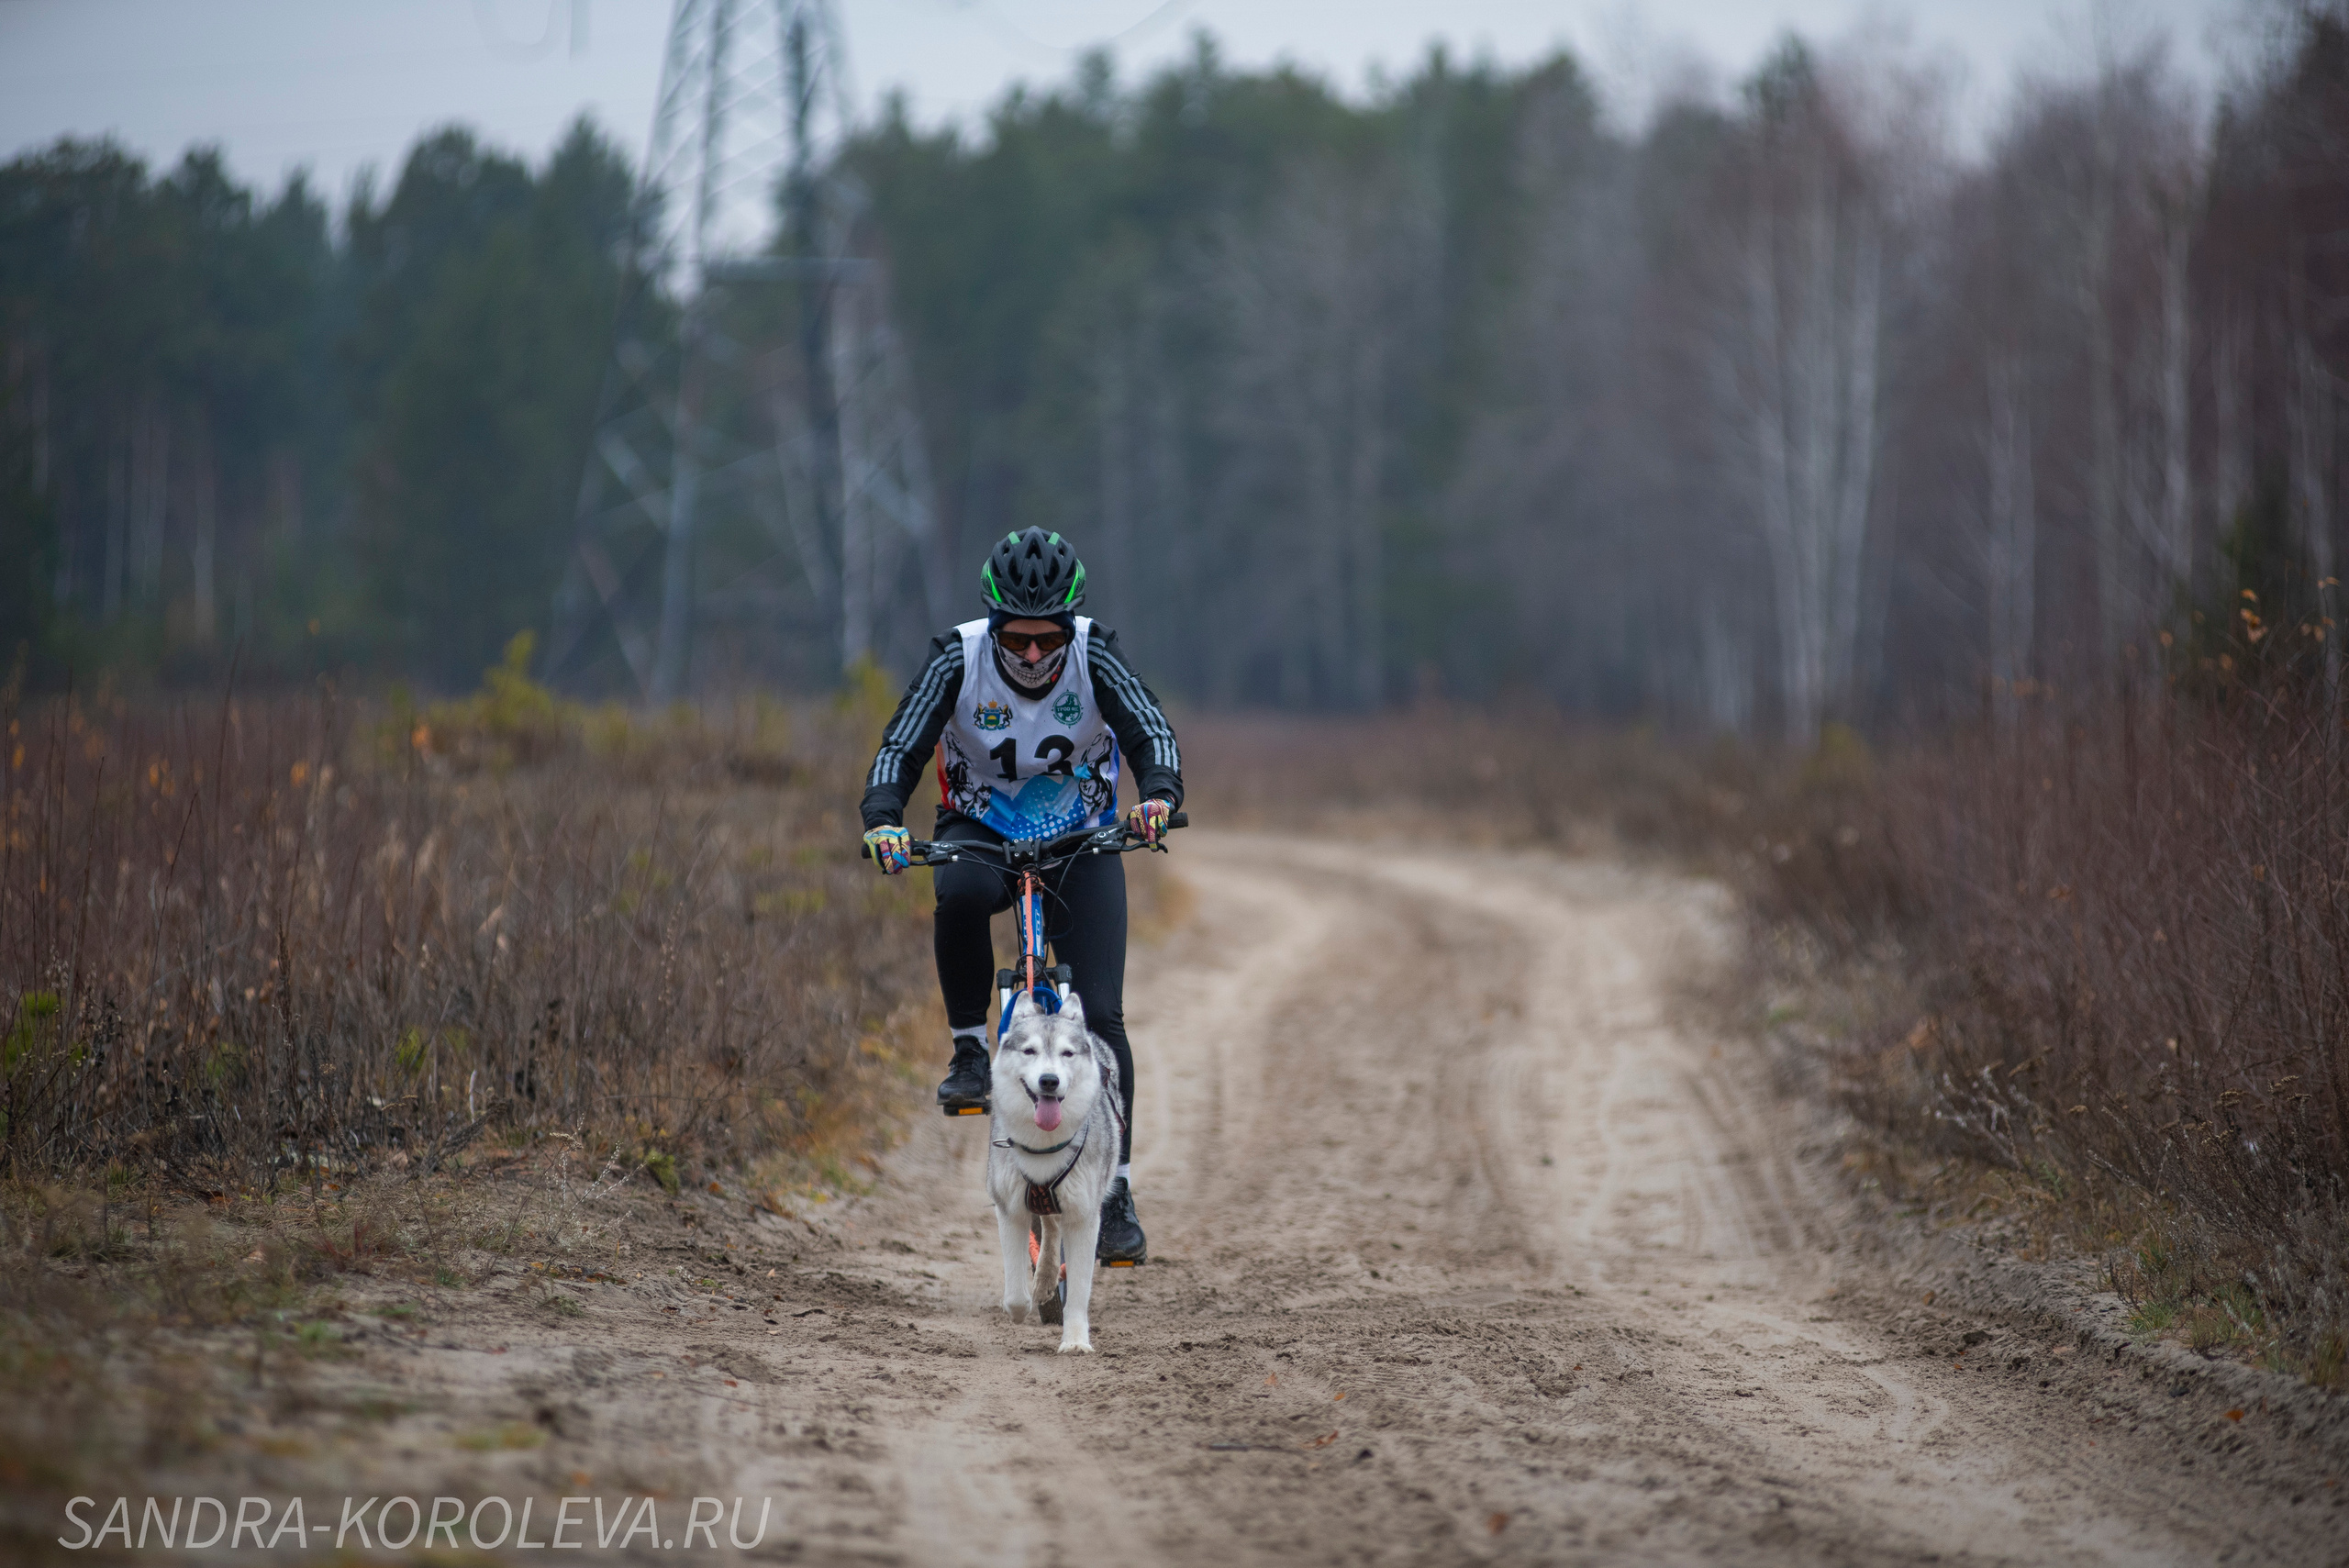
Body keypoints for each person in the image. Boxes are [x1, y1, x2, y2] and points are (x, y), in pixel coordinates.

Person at [860, 528, 1182, 1264]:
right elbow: (900, 745)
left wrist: (1159, 794)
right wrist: (882, 817)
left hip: (1081, 835)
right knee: (962, 892)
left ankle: (1118, 1185)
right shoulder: (959, 655)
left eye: (1046, 641)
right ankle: (971, 1048)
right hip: (978, 826)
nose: (1032, 656)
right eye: (1017, 639)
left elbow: (1151, 732)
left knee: (1100, 1015)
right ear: (995, 624)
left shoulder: (1096, 652)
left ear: (1067, 628)